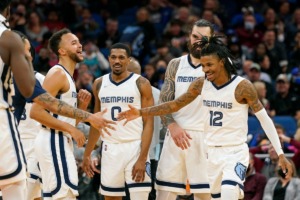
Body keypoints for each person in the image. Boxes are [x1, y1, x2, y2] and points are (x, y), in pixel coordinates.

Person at [117, 35, 292, 200]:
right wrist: (140, 112)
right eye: (203, 65)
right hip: (210, 153)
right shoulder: (201, 84)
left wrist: (281, 153)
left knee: (229, 192)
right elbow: (174, 105)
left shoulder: (242, 86)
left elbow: (265, 120)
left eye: (209, 65)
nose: (205, 70)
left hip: (234, 152)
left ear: (222, 62)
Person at [82, 43, 154, 200]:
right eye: (113, 57)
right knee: (111, 198)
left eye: (122, 57)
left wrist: (142, 158)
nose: (117, 61)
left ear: (128, 60)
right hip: (110, 149)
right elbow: (96, 122)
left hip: (135, 147)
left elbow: (149, 123)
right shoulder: (99, 83)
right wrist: (87, 154)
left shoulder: (141, 83)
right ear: (108, 59)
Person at [154, 19, 213, 200]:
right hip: (176, 135)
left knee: (207, 195)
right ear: (189, 36)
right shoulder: (175, 64)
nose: (198, 41)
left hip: (205, 137)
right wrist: (172, 126)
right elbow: (164, 100)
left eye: (204, 38)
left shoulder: (218, 65)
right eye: (195, 36)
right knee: (164, 193)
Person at [29, 28, 90, 199]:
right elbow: (36, 112)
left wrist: (82, 107)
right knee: (66, 195)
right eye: (73, 43)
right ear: (61, 51)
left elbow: (68, 122)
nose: (79, 46)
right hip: (54, 139)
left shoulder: (68, 77)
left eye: (79, 42)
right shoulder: (57, 73)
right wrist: (71, 130)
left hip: (57, 140)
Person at [0, 1, 35, 199]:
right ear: (8, 9)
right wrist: (25, 54)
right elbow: (28, 88)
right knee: (15, 185)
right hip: (1, 119)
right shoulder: (9, 38)